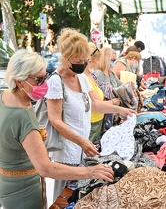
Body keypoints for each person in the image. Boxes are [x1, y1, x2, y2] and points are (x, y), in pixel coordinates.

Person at [0, 49, 115, 209]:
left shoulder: (5, 97)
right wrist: (91, 172)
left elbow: (9, 137)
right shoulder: (23, 115)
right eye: (39, 79)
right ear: (19, 81)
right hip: (24, 190)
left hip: (8, 182)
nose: (44, 84)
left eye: (44, 77)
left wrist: (31, 140)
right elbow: (45, 168)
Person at [45, 28, 136, 202]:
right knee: (62, 198)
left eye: (85, 60)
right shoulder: (56, 82)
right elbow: (55, 119)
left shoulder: (80, 78)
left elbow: (95, 105)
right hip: (66, 153)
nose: (83, 64)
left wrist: (121, 110)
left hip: (83, 149)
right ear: (66, 57)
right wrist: (81, 141)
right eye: (79, 60)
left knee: (79, 196)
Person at [84, 42, 136, 143]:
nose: (114, 62)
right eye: (112, 60)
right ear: (91, 60)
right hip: (93, 121)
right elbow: (96, 104)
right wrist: (116, 103)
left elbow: (118, 86)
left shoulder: (91, 75)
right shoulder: (91, 76)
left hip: (98, 120)